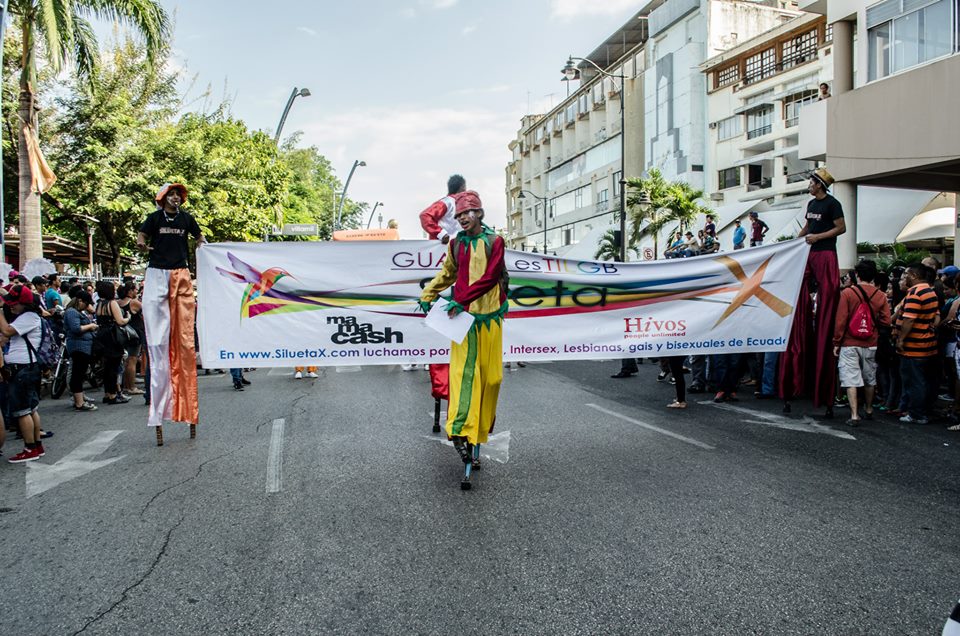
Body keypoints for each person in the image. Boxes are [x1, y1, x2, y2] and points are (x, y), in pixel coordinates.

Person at [418, 190, 507, 467]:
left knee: (492, 379)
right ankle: (459, 431)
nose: (462, 219)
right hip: (464, 321)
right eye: (457, 216)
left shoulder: (495, 241)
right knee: (465, 376)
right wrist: (428, 294)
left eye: (466, 213)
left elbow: (491, 277)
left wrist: (461, 299)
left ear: (478, 213)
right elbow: (448, 273)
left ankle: (478, 433)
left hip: (490, 318)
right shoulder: (456, 244)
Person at [137, 182, 204, 439]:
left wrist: (203, 245)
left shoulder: (187, 219)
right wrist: (142, 244)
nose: (176, 198)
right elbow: (141, 236)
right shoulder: (154, 218)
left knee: (184, 341)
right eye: (172, 194)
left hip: (180, 275)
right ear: (164, 198)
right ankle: (158, 408)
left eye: (179, 195)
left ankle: (187, 408)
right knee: (157, 342)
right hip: (156, 273)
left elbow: (199, 237)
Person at [779, 167, 846, 416]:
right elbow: (807, 227)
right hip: (810, 253)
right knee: (799, 294)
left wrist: (818, 238)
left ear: (819, 184)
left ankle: (823, 388)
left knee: (828, 298)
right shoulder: (811, 204)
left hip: (826, 253)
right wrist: (794, 244)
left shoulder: (833, 204)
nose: (809, 184)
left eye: (811, 181)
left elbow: (841, 228)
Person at [417, 175, 467, 394]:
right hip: (444, 257)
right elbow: (425, 215)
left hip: (459, 255)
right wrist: (442, 234)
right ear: (462, 188)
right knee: (444, 295)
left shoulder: (465, 208)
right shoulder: (449, 202)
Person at [832, 260, 891, 426]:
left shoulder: (848, 293)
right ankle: (869, 409)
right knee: (869, 377)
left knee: (850, 378)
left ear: (857, 274)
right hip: (871, 341)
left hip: (849, 342)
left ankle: (854, 414)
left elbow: (841, 320)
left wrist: (836, 341)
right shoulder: (881, 295)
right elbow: (886, 321)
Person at [1, 286, 47, 463]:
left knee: (22, 411)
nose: (11, 307)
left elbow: (6, 331)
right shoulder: (28, 317)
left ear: (24, 304)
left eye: (15, 304)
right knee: (30, 408)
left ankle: (30, 447)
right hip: (25, 368)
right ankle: (36, 445)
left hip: (22, 368)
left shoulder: (29, 317)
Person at [895, 264, 939, 424]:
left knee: (915, 381)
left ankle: (916, 414)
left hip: (914, 347)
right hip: (926, 344)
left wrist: (901, 339)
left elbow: (909, 318)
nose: (904, 277)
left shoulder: (915, 292)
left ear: (913, 275)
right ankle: (912, 409)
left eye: (906, 274)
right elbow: (936, 317)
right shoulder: (929, 291)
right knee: (919, 380)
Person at [95, 281, 131, 404]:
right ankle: (113, 394)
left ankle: (107, 393)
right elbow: (120, 321)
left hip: (101, 334)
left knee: (106, 366)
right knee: (114, 366)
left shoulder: (99, 304)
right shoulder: (112, 304)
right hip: (112, 336)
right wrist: (128, 318)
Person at [63, 290, 99, 411]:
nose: (87, 306)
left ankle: (80, 398)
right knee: (78, 374)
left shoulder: (77, 312)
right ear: (80, 301)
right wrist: (91, 326)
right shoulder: (72, 312)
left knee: (80, 373)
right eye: (86, 303)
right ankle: (79, 402)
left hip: (83, 346)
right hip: (78, 346)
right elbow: (76, 328)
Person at [117, 282, 145, 396]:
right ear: (130, 291)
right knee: (132, 360)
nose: (136, 292)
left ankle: (125, 385)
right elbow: (146, 310)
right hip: (134, 334)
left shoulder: (118, 303)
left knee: (126, 361)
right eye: (135, 290)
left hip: (123, 333)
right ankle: (131, 387)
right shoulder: (133, 302)